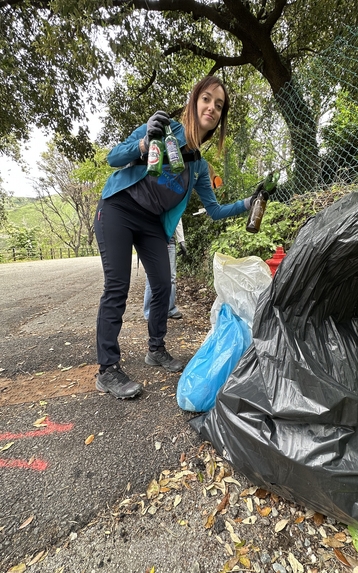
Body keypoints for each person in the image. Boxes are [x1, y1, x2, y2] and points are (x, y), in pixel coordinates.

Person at [94, 75, 263, 400]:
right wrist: (144, 143)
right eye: (207, 99)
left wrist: (248, 203)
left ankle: (155, 349)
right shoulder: (163, 128)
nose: (212, 107)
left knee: (162, 285)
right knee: (117, 286)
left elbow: (213, 210)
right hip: (119, 207)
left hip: (151, 223)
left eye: (219, 105)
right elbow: (114, 157)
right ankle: (107, 369)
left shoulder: (199, 165)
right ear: (194, 101)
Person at [143, 219, 186, 321]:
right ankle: (149, 312)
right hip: (151, 241)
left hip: (169, 241)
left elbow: (177, 217)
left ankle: (170, 309)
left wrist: (181, 240)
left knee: (171, 277)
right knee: (151, 278)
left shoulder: (173, 202)